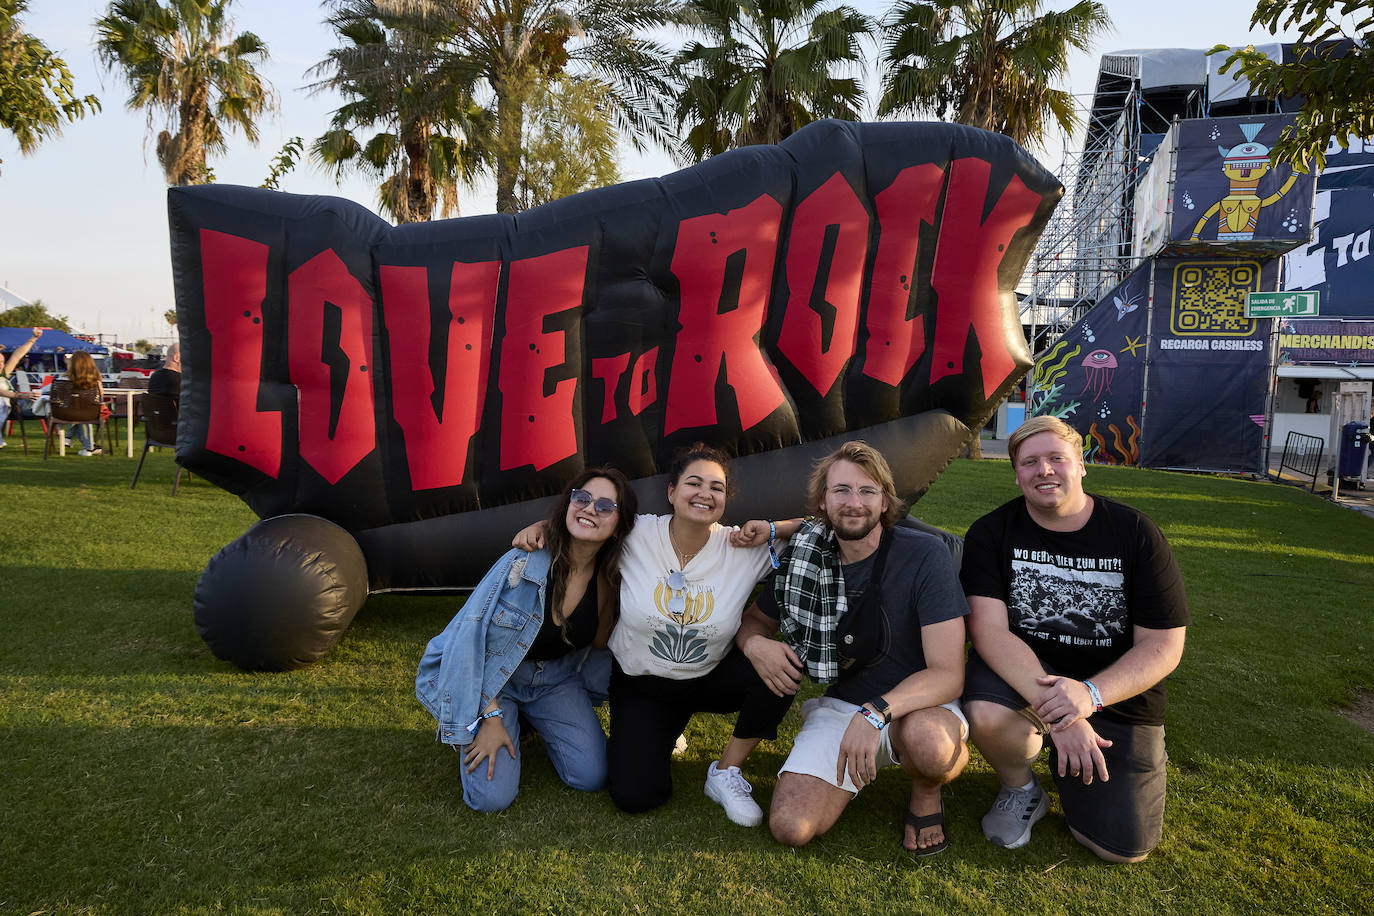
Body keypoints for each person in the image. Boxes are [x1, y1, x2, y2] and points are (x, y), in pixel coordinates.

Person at [514, 443, 802, 826]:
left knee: (782, 671)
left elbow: (826, 529)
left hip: (707, 677)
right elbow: (586, 520)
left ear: (726, 499)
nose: (704, 493)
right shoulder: (637, 532)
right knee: (635, 795)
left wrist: (774, 528)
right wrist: (543, 527)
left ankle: (725, 772)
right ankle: (664, 729)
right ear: (671, 491)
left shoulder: (743, 546)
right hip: (641, 684)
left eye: (716, 487)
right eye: (693, 483)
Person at [960, 415, 1189, 863]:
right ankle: (1020, 787)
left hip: (1113, 691)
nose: (1044, 470)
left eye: (1055, 459)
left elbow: (1163, 645)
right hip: (1024, 678)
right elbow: (989, 632)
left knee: (1122, 847)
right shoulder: (991, 533)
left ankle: (1067, 762)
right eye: (1030, 462)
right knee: (986, 712)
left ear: (1080, 465)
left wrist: (1089, 695)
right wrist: (1066, 717)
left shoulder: (1135, 533)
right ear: (1017, 473)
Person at [735, 441, 970, 855]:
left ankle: (925, 791)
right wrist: (755, 645)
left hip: (919, 705)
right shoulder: (807, 555)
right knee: (791, 827)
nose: (854, 502)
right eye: (841, 490)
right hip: (843, 707)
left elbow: (948, 673)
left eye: (868, 491)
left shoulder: (924, 555)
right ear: (822, 502)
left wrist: (876, 712)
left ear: (885, 503)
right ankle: (852, 768)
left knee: (931, 748)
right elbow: (755, 620)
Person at [415, 468, 637, 812]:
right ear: (568, 504)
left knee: (591, 777)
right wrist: (487, 716)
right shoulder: (524, 562)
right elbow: (469, 636)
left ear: (618, 526)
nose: (591, 509)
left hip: (557, 681)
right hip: (499, 681)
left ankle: (530, 721)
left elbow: (600, 645)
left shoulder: (609, 580)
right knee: (491, 799)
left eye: (606, 506)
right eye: (583, 498)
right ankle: (487, 722)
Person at [0, 328, 42, 448]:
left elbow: (17, 355)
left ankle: (65, 436)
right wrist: (24, 395)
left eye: (2, 361)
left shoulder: (4, 373)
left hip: (15, 405)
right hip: (11, 404)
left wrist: (33, 339)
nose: (1, 364)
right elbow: (2, 392)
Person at [63, 350, 106, 456]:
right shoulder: (96, 380)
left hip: (66, 412)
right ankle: (89, 448)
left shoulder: (65, 379)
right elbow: (100, 396)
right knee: (82, 412)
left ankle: (68, 437)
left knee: (78, 411)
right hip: (91, 412)